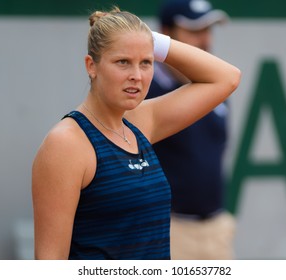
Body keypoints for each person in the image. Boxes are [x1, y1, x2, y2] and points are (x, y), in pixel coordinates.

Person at [31, 6, 240, 260]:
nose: (136, 76)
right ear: (91, 66)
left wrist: (146, 38)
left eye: (146, 63)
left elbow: (227, 77)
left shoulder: (140, 122)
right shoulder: (66, 143)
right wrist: (133, 37)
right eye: (123, 62)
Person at [146, 0, 236, 259]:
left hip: (217, 229)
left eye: (209, 30)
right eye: (195, 30)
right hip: (167, 231)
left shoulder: (218, 89)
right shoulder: (142, 91)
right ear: (165, 33)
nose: (205, 40)